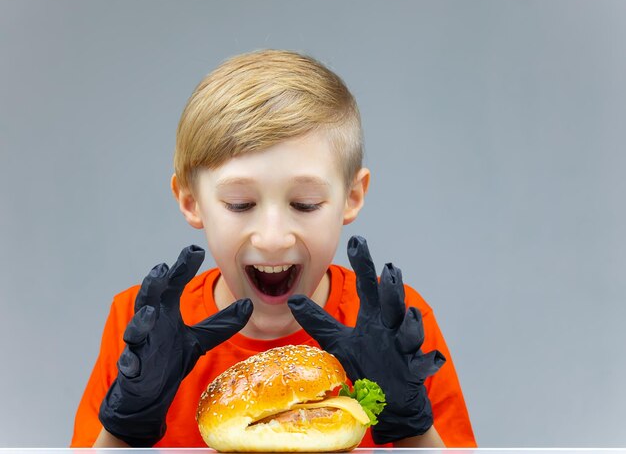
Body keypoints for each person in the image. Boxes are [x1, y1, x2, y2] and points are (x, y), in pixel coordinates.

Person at [71, 49, 476, 448]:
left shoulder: (397, 325)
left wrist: (411, 425)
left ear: (351, 197)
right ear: (191, 201)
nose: (272, 237)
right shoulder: (141, 324)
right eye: (240, 204)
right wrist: (126, 427)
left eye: (305, 204)